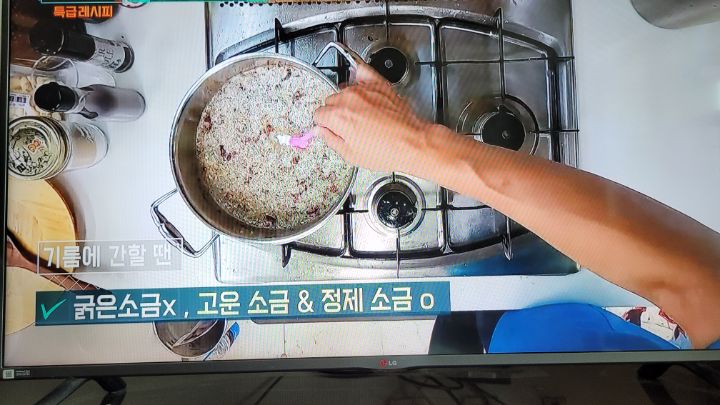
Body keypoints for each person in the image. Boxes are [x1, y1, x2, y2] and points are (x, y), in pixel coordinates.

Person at [310, 60, 720, 353]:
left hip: (528, 356)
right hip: (570, 342)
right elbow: (700, 282)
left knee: (472, 334)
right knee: (499, 326)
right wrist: (415, 143)